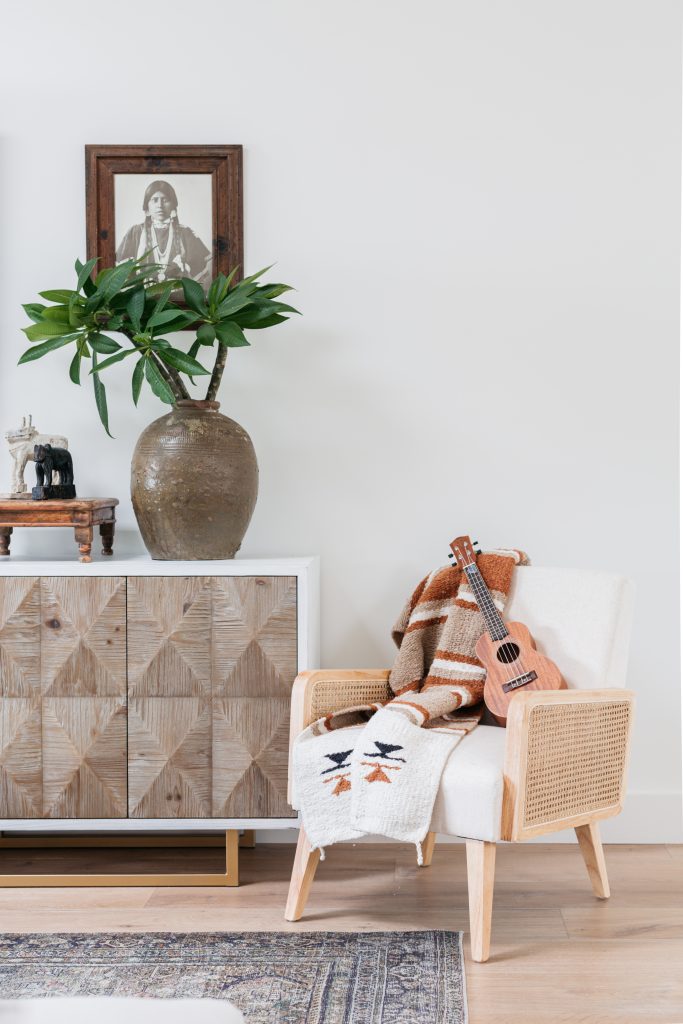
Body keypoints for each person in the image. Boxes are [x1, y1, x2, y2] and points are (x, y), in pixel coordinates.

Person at [116, 179, 212, 286]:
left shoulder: (185, 233)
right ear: (147, 207)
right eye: (155, 200)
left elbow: (201, 266)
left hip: (177, 296)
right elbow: (122, 269)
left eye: (165, 200)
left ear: (173, 205)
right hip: (143, 297)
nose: (160, 205)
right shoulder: (135, 232)